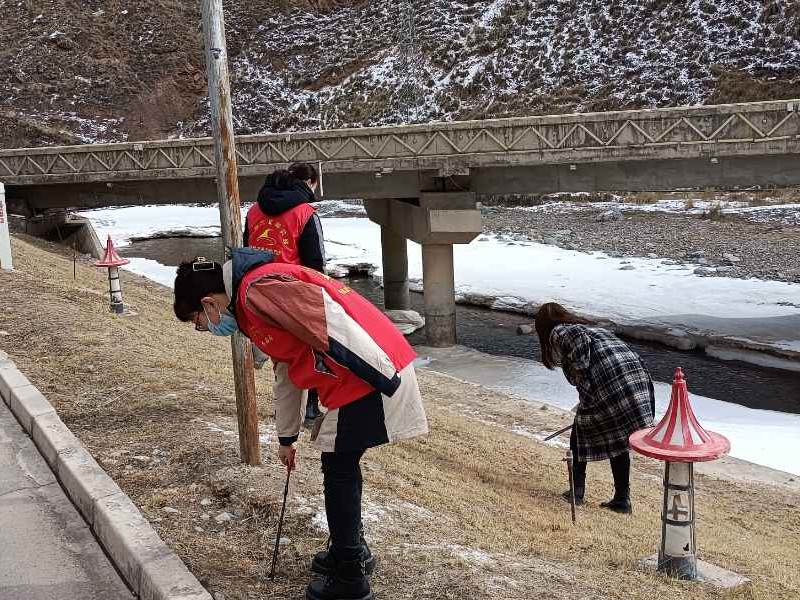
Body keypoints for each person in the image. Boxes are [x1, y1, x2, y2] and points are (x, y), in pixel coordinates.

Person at [173, 249, 428, 600]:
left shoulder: (256, 289)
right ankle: (349, 551)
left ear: (207, 303)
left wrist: (381, 375)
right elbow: (287, 370)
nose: (205, 327)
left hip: (373, 374)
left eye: (198, 321)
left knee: (338, 467)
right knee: (341, 466)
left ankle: (351, 578)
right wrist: (286, 436)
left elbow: (329, 321)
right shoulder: (251, 303)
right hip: (365, 375)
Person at [535, 302, 655, 514]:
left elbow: (580, 360)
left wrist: (579, 379)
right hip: (637, 386)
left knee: (579, 433)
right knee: (620, 438)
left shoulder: (560, 331)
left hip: (613, 385)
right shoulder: (594, 329)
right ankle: (622, 499)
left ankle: (577, 492)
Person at [245, 162, 325, 422]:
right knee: (309, 351)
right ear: (311, 182)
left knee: (280, 353)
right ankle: (309, 409)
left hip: (259, 290)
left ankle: (285, 410)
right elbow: (315, 262)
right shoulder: (305, 212)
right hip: (294, 292)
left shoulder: (254, 211)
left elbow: (247, 248)